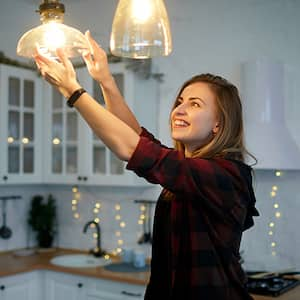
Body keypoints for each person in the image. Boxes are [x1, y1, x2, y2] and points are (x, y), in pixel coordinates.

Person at [34, 30, 259, 300]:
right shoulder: (188, 171)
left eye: (195, 104)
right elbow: (138, 138)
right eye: (180, 102)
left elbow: (132, 148)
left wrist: (74, 91)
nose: (180, 109)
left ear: (218, 124)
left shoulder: (227, 175)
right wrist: (105, 80)